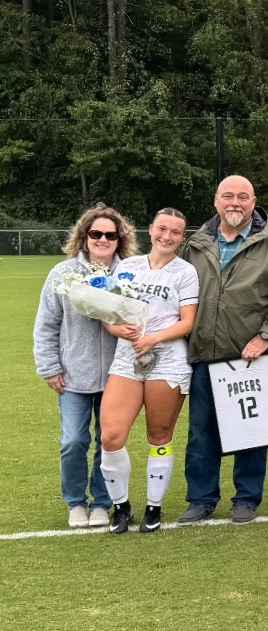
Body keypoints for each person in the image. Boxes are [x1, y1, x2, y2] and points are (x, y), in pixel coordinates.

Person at [177, 175, 268, 524]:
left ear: (253, 201)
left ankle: (246, 498)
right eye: (228, 196)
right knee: (201, 432)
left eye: (243, 197)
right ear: (216, 200)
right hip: (204, 353)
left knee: (251, 431)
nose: (235, 203)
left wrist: (265, 336)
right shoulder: (196, 243)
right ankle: (201, 499)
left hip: (250, 359)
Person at [98, 209, 200, 533]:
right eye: (162, 229)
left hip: (168, 358)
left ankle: (153, 508)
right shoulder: (127, 267)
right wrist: (120, 330)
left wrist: (154, 337)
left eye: (175, 232)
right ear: (151, 230)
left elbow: (187, 321)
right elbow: (107, 314)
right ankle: (121, 507)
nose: (167, 237)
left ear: (182, 237)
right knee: (111, 435)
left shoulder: (185, 272)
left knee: (158, 435)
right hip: (128, 357)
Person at [33, 204, 132, 528]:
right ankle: (76, 502)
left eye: (110, 235)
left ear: (119, 240)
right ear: (84, 237)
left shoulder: (129, 274)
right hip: (74, 375)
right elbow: (47, 325)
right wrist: (49, 366)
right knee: (73, 440)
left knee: (109, 440)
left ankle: (102, 502)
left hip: (117, 377)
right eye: (95, 234)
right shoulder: (62, 275)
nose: (102, 239)